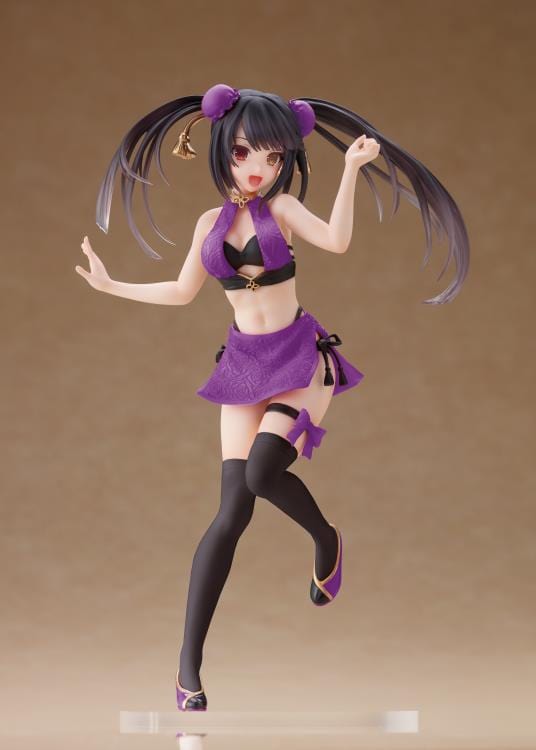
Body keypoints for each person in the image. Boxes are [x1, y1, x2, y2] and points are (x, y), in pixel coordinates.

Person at [75, 84, 470, 711]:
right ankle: (187, 667)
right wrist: (111, 286)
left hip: (298, 360)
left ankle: (325, 538)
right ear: (220, 152)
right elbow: (181, 291)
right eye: (242, 153)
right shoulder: (208, 225)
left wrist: (350, 170)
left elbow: (336, 240)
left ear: (286, 159)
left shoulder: (282, 208)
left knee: (263, 471)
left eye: (271, 156)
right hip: (242, 367)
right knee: (231, 512)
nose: (256, 167)